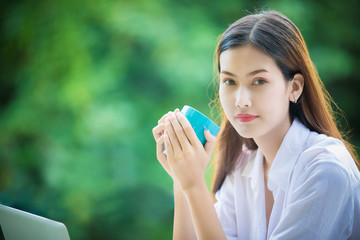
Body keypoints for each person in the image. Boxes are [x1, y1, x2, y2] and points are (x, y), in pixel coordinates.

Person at [152, 10, 360, 240]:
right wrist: (182, 182)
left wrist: (194, 185)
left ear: (295, 87)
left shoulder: (326, 170)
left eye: (259, 81)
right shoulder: (243, 166)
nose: (241, 101)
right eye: (229, 81)